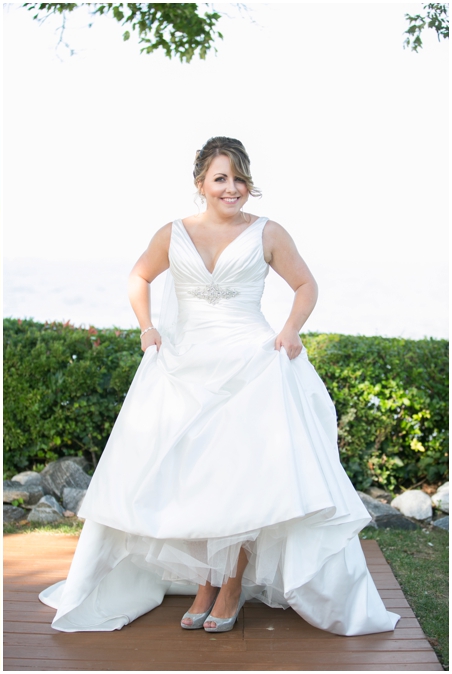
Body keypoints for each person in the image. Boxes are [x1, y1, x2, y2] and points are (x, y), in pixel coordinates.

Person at [38, 137, 400, 636]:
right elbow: (138, 277)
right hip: (184, 365)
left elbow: (306, 285)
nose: (232, 188)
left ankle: (231, 584)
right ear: (200, 184)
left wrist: (290, 330)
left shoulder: (268, 233)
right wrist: (148, 328)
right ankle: (205, 583)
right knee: (193, 476)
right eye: (220, 178)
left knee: (243, 476)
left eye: (239, 178)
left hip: (252, 363)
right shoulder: (173, 233)